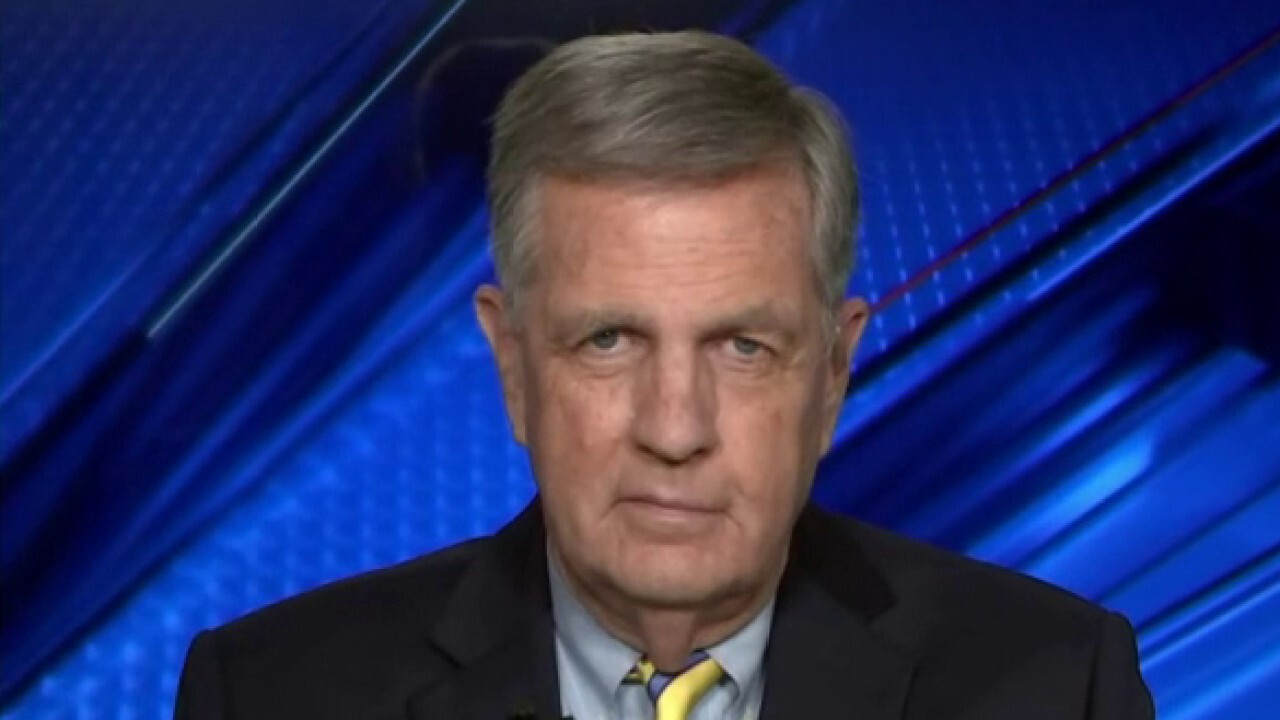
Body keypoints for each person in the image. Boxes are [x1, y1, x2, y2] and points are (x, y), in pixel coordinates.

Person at [175, 31, 1155, 719]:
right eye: (607, 340)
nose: (674, 429)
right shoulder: (268, 695)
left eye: (743, 347)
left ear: (832, 373)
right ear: (512, 364)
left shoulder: (1057, 688)